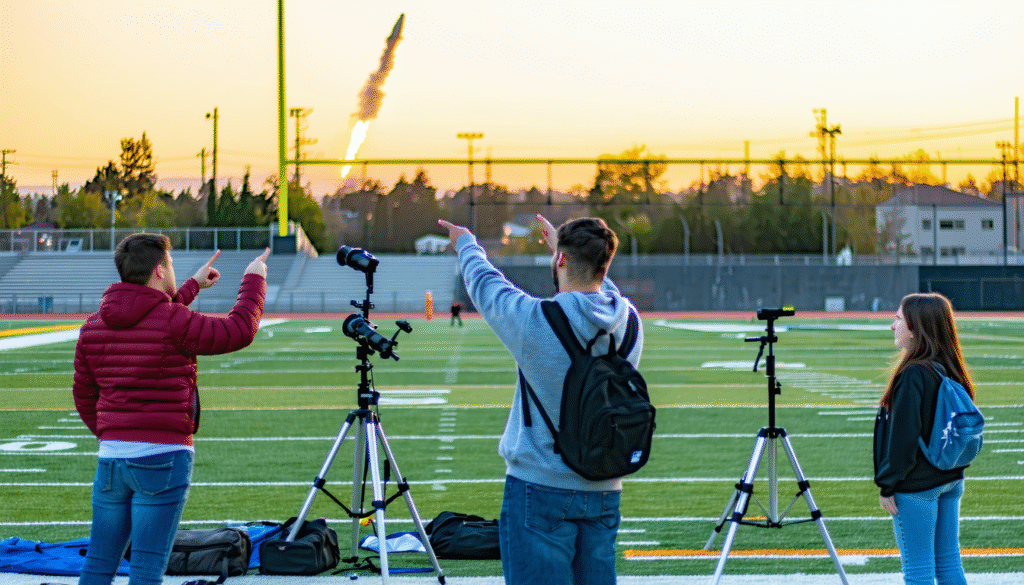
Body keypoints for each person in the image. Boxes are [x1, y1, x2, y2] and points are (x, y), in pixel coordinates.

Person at [437, 214, 642, 585]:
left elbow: (486, 284)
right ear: (604, 263)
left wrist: (466, 243)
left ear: (560, 260)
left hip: (539, 488)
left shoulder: (537, 320)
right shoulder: (630, 321)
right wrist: (569, 250)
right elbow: (604, 290)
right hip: (605, 488)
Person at [73, 234, 270, 585]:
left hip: (111, 459)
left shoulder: (93, 326)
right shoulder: (173, 320)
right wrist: (254, 277)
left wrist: (112, 432)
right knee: (147, 570)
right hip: (162, 457)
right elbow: (239, 330)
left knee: (99, 565)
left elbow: (84, 396)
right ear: (160, 271)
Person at [874, 292, 975, 585]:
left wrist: (888, 483)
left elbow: (903, 439)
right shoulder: (951, 367)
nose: (893, 326)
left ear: (916, 329)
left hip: (916, 484)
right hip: (950, 477)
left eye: (898, 319)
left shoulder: (914, 374)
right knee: (948, 563)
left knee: (918, 571)